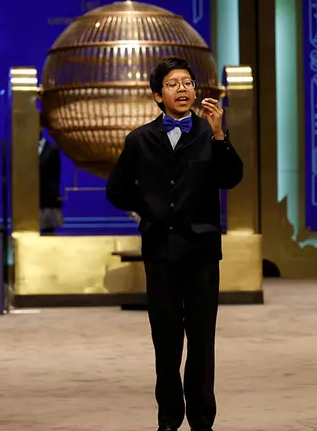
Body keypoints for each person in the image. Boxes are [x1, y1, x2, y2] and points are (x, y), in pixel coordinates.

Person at [105, 57, 243, 431]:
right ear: (157, 95)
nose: (183, 89)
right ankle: (168, 419)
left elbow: (231, 179)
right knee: (166, 341)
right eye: (173, 84)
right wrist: (147, 210)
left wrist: (219, 135)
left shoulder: (208, 134)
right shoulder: (139, 139)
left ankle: (201, 419)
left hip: (201, 251)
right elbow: (116, 190)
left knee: (201, 339)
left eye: (188, 83)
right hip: (160, 251)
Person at [38, 112, 63, 234]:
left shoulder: (52, 150)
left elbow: (55, 177)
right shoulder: (21, 149)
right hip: (26, 201)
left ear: (41, 127)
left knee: (48, 234)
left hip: (47, 202)